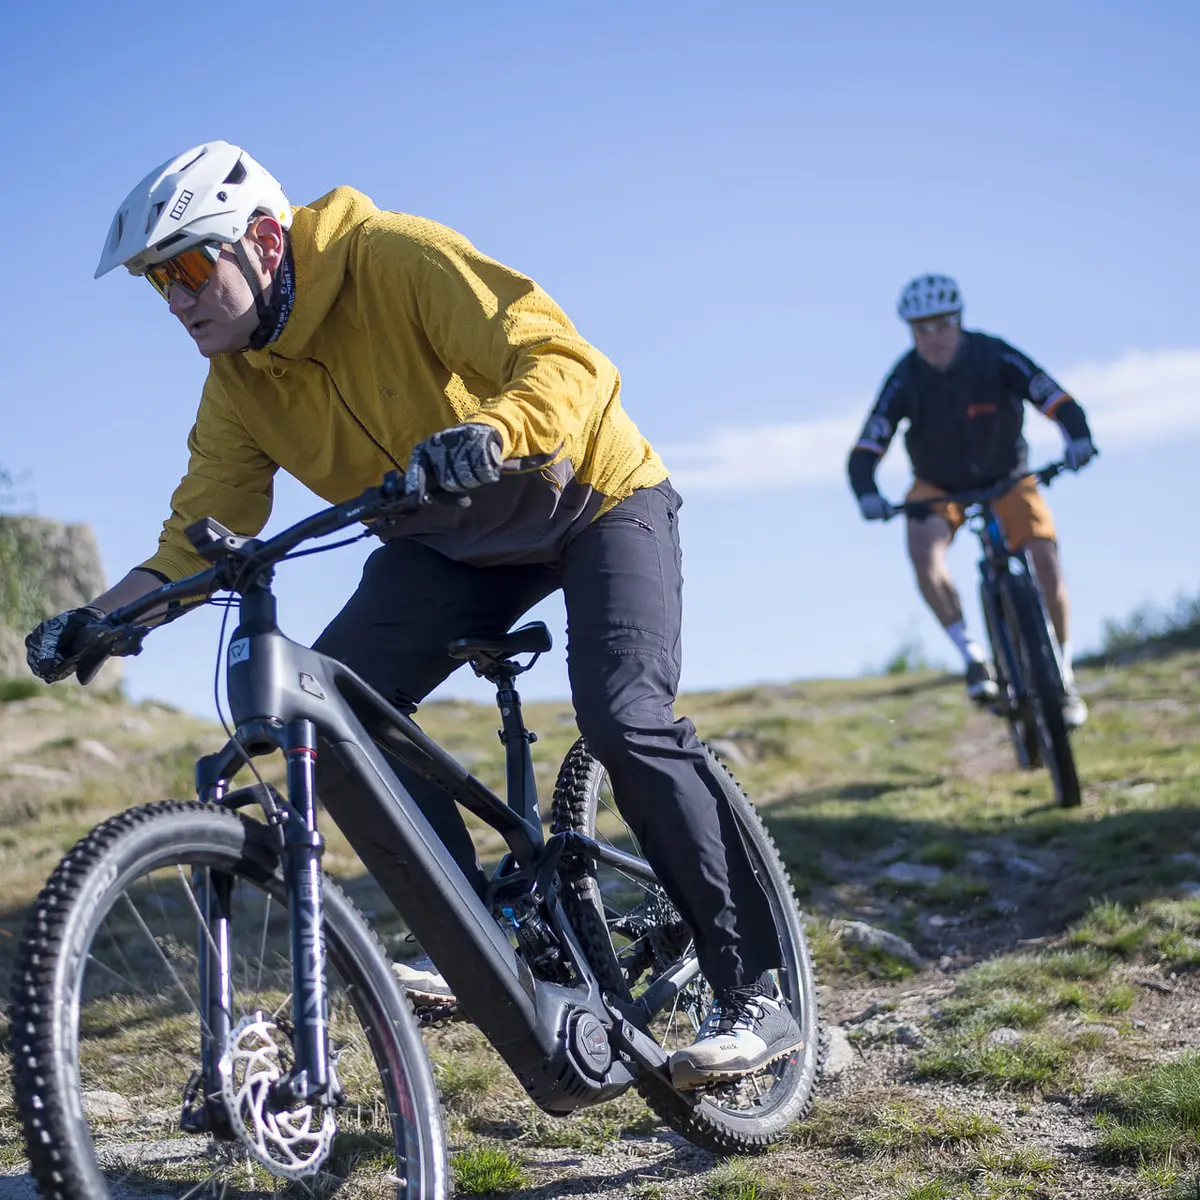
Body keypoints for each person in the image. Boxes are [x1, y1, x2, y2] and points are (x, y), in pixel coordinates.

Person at [24, 141, 800, 1087]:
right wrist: (103, 621)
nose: (177, 300)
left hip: (590, 496)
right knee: (341, 699)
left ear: (264, 239)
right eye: (158, 284)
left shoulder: (394, 256)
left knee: (622, 715)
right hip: (451, 546)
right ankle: (485, 926)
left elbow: (564, 358)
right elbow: (203, 530)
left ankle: (756, 989)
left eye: (188, 267)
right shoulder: (239, 382)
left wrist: (495, 428)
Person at [847, 274, 1096, 726]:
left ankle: (1063, 671)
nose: (933, 337)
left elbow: (1054, 397)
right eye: (921, 328)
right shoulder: (906, 377)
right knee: (924, 553)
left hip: (1010, 476)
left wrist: (1077, 438)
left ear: (959, 320)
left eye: (941, 324)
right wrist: (867, 493)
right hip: (938, 486)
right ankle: (974, 656)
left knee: (1046, 559)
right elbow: (867, 446)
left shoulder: (994, 354)